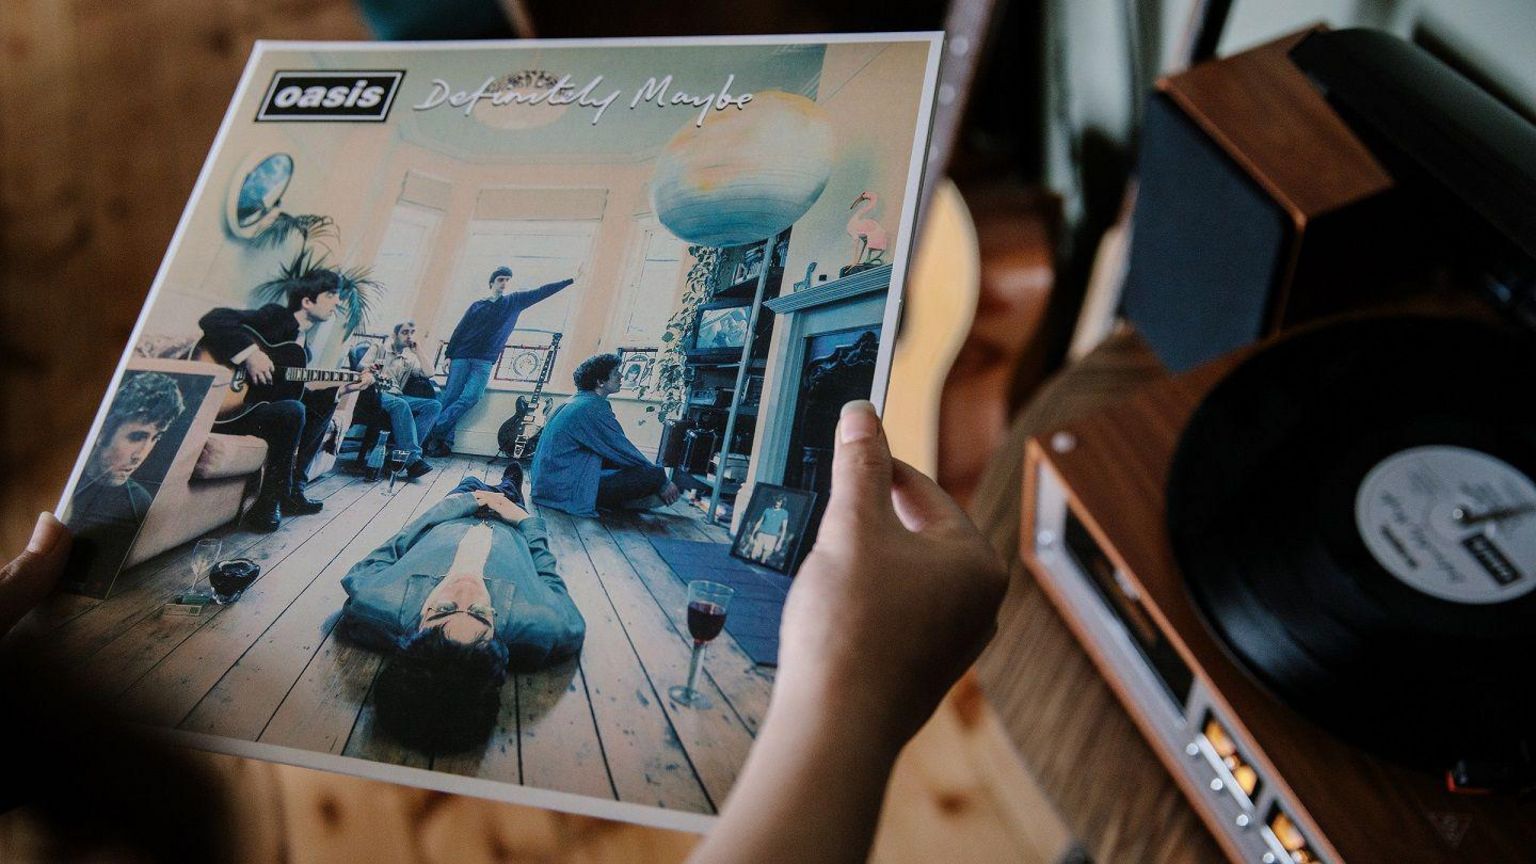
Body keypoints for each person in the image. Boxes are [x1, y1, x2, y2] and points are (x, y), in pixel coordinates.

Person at [1, 402, 1007, 864]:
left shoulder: (382, 608)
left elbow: (370, 564)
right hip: (515, 527)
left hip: (454, 517)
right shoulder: (542, 626)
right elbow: (559, 578)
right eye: (464, 623)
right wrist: (854, 701)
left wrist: (452, 518)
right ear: (492, 647)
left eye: (441, 618)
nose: (455, 610)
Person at [336, 462, 585, 752]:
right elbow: (548, 575)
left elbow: (395, 544)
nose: (468, 589)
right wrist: (523, 519)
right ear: (496, 636)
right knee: (510, 488)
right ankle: (510, 483)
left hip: (452, 514)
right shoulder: (547, 625)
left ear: (415, 629)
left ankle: (477, 483)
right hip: (510, 522)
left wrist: (459, 504)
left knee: (468, 481)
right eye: (480, 613)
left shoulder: (373, 602)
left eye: (443, 608)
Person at [197, 269, 373, 532]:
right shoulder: (274, 318)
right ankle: (269, 502)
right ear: (307, 301)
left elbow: (294, 395)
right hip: (231, 408)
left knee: (321, 402)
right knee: (293, 410)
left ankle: (293, 491)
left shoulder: (303, 348)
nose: (338, 302)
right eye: (331, 295)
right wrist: (251, 355)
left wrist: (343, 389)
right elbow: (214, 319)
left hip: (261, 409)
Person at [422, 265, 578, 456]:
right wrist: (448, 355)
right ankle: (442, 444)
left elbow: (541, 292)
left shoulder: (514, 301)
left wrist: (569, 281)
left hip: (484, 360)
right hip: (461, 356)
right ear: (492, 283)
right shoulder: (477, 305)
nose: (504, 283)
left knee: (471, 396)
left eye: (507, 280)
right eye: (500, 279)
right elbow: (460, 330)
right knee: (451, 398)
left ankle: (429, 429)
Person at [63, 371, 185, 595]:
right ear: (103, 432)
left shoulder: (139, 502)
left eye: (155, 438)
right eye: (136, 437)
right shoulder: (62, 478)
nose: (141, 455)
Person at [531, 352, 681, 516]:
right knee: (652, 474)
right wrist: (661, 480)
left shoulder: (578, 401)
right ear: (600, 382)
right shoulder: (591, 408)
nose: (621, 376)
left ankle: (628, 501)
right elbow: (623, 450)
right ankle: (629, 501)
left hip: (550, 485)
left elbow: (613, 451)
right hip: (564, 489)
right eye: (616, 372)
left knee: (636, 469)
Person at [363, 320, 442, 478]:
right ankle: (412, 459)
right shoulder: (379, 348)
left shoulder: (409, 359)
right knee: (400, 404)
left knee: (434, 405)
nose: (409, 336)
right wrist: (370, 369)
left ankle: (402, 455)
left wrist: (418, 351)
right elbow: (361, 366)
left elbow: (429, 373)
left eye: (412, 333)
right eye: (405, 332)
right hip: (376, 394)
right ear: (395, 335)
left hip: (398, 396)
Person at [741, 494, 791, 564]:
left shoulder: (784, 513)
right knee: (753, 555)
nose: (777, 503)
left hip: (772, 537)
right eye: (777, 501)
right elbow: (759, 522)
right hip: (761, 534)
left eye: (780, 502)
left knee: (763, 560)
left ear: (782, 503)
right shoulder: (767, 510)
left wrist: (780, 542)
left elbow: (784, 529)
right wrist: (752, 534)